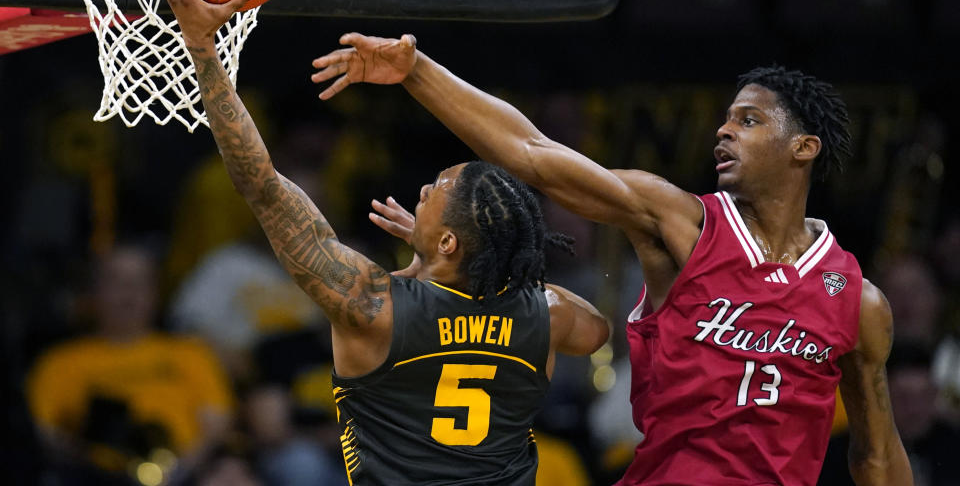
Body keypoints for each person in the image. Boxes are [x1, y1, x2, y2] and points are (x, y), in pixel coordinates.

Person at [310, 33, 913, 485]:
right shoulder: (681, 224)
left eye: (748, 121)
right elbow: (534, 154)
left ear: (802, 148)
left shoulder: (858, 301)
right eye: (724, 120)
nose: (723, 133)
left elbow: (878, 452)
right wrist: (417, 70)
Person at [158, 0, 610, 486]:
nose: (422, 191)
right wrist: (471, 261)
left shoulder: (372, 304)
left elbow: (262, 185)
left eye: (436, 190)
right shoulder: (546, 313)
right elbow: (596, 331)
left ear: (450, 242)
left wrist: (202, 47)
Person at [26, 242, 234, 485]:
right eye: (116, 282)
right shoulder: (59, 361)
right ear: (93, 292)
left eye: (140, 283)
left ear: (155, 293)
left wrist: (175, 473)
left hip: (185, 474)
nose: (129, 293)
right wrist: (83, 451)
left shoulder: (190, 352)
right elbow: (41, 432)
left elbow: (216, 425)